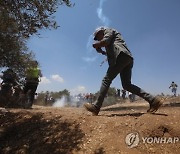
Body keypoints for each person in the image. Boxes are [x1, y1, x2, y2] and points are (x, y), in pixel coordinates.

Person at [84, 27, 163, 115]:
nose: (98, 39)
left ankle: (96, 107)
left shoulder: (108, 31)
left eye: (97, 37)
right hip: (126, 58)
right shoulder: (110, 38)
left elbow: (106, 41)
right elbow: (110, 48)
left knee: (106, 80)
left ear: (100, 32)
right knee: (127, 85)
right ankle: (153, 100)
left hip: (121, 56)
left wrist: (97, 44)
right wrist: (102, 51)